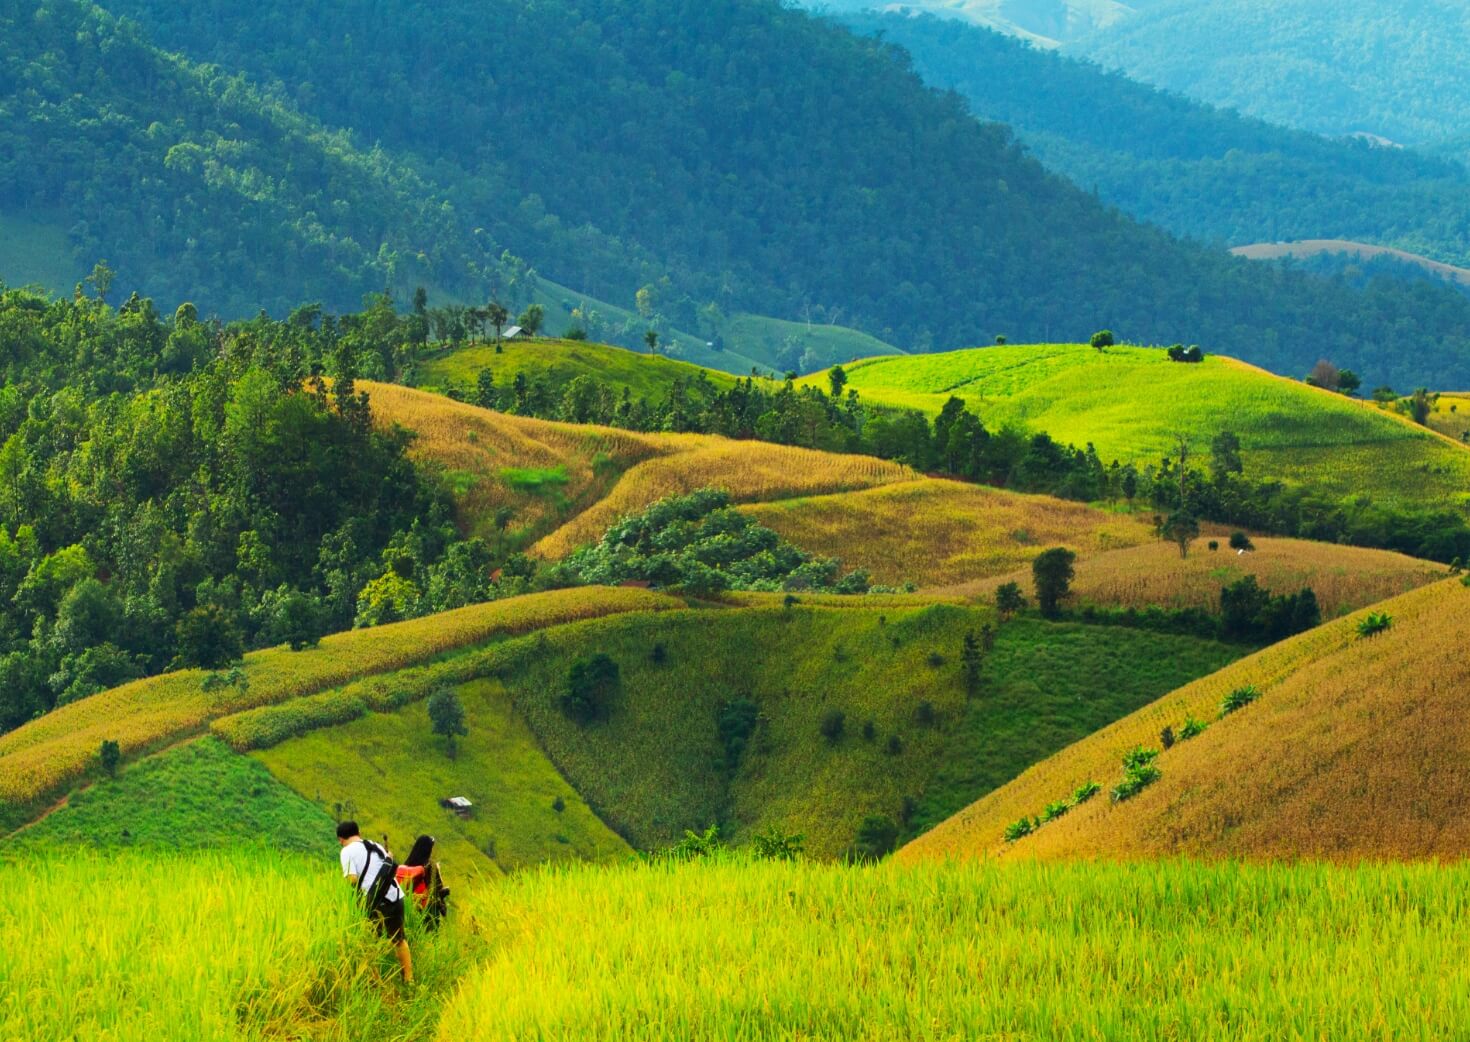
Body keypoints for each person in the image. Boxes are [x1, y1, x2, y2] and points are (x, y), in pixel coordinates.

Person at [336, 821, 413, 983]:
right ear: (358, 833)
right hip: (395, 896)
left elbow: (352, 879)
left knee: (369, 942)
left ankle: (377, 983)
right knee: (399, 939)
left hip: (374, 902)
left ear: (340, 839)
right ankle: (409, 979)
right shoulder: (374, 845)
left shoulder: (346, 851)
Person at [396, 834, 450, 931]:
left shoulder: (407, 864)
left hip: (409, 909)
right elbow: (438, 888)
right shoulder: (430, 866)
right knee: (431, 937)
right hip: (427, 910)